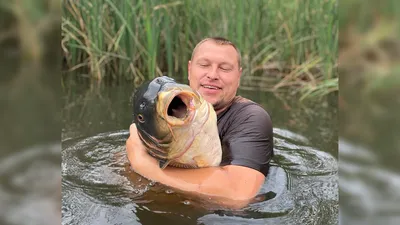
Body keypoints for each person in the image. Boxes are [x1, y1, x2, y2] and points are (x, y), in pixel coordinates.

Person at [126, 37, 274, 208]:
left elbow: (238, 194)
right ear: (190, 69)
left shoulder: (251, 118)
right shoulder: (165, 109)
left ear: (238, 76)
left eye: (224, 68)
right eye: (204, 65)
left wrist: (144, 165)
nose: (212, 75)